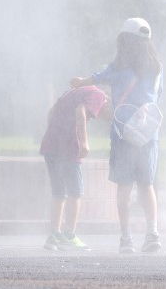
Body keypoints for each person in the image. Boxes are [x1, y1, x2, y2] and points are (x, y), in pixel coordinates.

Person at [71, 17, 163, 253]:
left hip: (123, 133)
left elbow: (98, 77)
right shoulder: (156, 68)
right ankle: (152, 234)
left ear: (124, 41)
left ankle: (126, 239)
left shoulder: (118, 67)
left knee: (124, 187)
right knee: (146, 185)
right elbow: (156, 97)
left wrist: (81, 81)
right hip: (148, 136)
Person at [39, 85, 108, 251]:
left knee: (58, 192)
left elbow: (51, 112)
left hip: (50, 145)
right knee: (75, 192)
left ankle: (54, 235)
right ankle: (69, 235)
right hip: (69, 148)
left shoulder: (73, 91)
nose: (100, 117)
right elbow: (80, 112)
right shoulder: (99, 95)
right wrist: (83, 142)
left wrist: (55, 133)